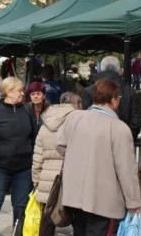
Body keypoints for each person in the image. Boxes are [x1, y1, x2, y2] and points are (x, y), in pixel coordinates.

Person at [57, 79, 141, 236]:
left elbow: (60, 146)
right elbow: (126, 170)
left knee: (79, 232)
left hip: (74, 193)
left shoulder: (74, 118)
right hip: (104, 199)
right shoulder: (119, 128)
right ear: (114, 100)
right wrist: (133, 202)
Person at [0, 77, 37, 236]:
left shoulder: (27, 110)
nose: (22, 93)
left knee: (20, 205)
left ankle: (17, 233)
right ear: (9, 92)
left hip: (24, 167)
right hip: (0, 167)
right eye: (19, 90)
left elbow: (34, 137)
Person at [32, 92, 81, 236]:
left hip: (48, 181)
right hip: (72, 179)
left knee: (47, 221)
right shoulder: (77, 122)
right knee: (79, 221)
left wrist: (36, 181)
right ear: (75, 104)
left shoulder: (45, 124)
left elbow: (37, 157)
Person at [82, 55, 141, 141]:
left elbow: (84, 119)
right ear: (119, 70)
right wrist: (126, 138)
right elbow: (135, 122)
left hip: (94, 141)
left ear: (101, 69)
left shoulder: (88, 90)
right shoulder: (129, 91)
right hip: (121, 140)